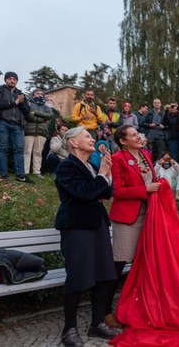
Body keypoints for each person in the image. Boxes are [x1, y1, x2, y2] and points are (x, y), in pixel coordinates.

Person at [53, 127, 119, 346]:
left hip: (98, 224)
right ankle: (69, 330)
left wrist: (106, 173)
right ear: (73, 143)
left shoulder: (91, 165)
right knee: (78, 277)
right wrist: (101, 176)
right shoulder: (66, 167)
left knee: (104, 276)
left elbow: (106, 194)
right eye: (87, 137)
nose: (93, 139)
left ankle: (96, 324)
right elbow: (85, 193)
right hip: (77, 226)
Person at [107, 124, 160, 329]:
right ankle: (105, 310)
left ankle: (139, 307)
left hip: (149, 215)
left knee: (144, 264)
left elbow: (152, 181)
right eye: (133, 135)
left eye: (138, 134)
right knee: (119, 263)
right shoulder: (118, 159)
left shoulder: (146, 154)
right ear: (123, 141)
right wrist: (144, 189)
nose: (138, 137)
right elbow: (117, 192)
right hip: (127, 218)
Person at [0, 71, 33, 183]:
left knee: (19, 149)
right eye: (10, 78)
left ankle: (20, 175)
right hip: (2, 123)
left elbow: (27, 111)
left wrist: (21, 102)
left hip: (17, 125)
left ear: (17, 81)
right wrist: (14, 102)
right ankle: (3, 175)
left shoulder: (20, 93)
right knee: (2, 148)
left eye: (14, 79)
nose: (12, 80)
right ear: (5, 80)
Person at [23, 89, 53, 177]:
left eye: (41, 94)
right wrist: (42, 117)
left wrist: (36, 113)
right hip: (29, 130)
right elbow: (28, 115)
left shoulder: (46, 105)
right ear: (33, 95)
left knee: (38, 152)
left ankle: (37, 172)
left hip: (42, 131)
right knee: (27, 151)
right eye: (37, 93)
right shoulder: (28, 103)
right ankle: (25, 171)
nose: (39, 95)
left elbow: (50, 115)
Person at [162, 102, 179, 168]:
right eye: (172, 106)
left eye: (174, 106)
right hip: (173, 139)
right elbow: (163, 123)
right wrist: (166, 110)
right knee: (174, 156)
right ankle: (175, 171)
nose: (173, 108)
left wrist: (178, 107)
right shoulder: (168, 115)